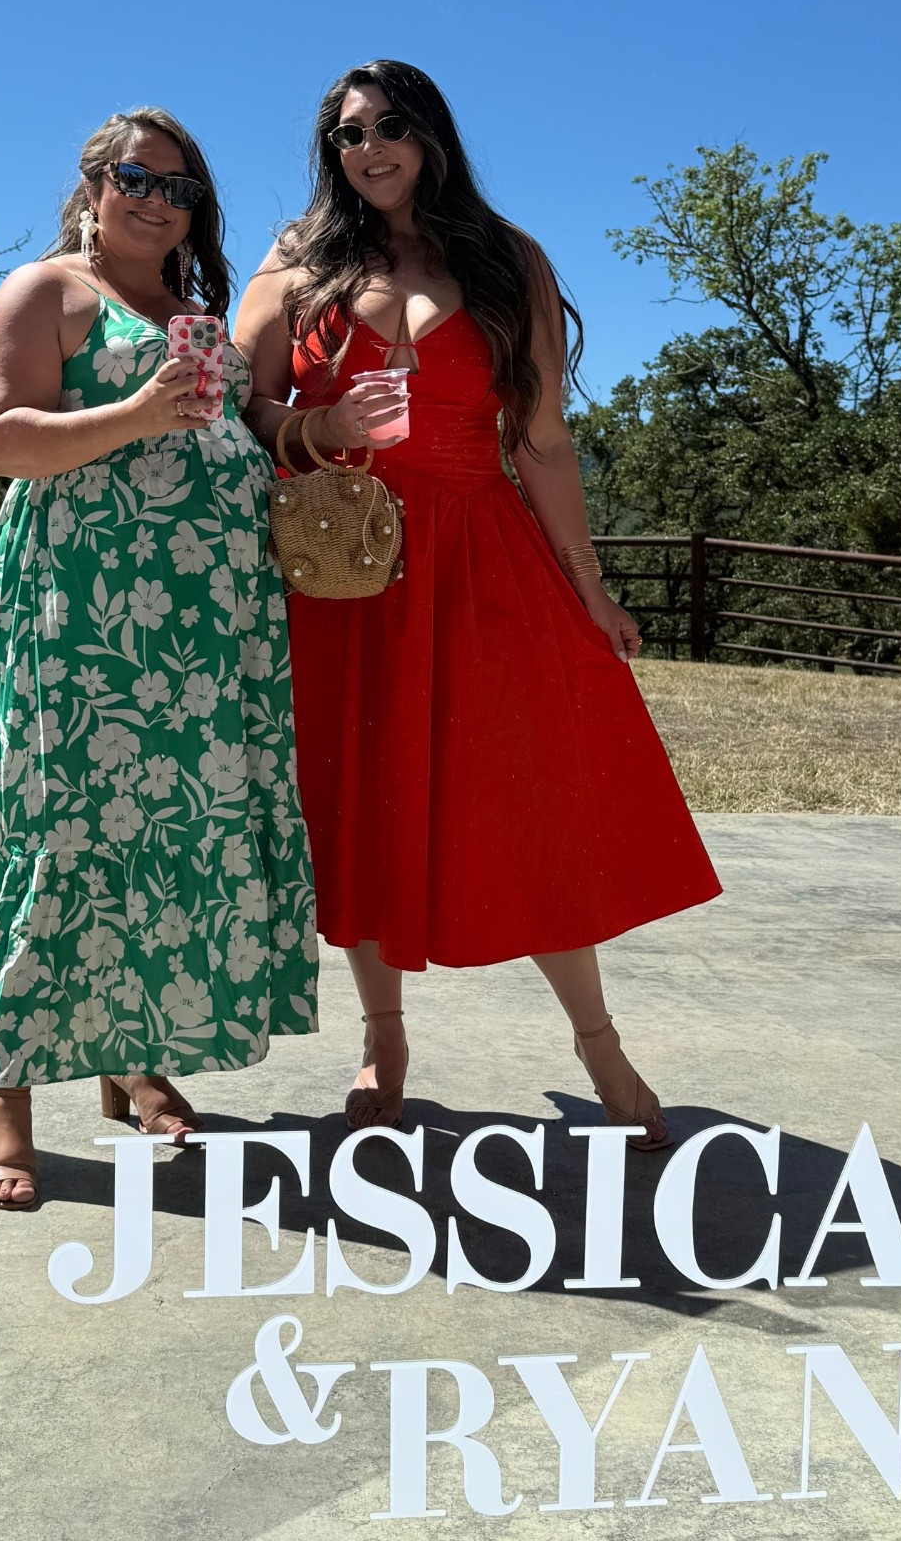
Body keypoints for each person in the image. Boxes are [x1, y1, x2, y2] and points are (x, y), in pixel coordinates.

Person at [234, 61, 720, 1145]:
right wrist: (313, 427)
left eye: (393, 125)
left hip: (481, 554)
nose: (372, 146)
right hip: (344, 563)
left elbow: (542, 440)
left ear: (432, 135)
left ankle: (600, 1042)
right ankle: (383, 1033)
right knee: (359, 795)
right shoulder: (299, 258)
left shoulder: (509, 259)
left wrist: (588, 586)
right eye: (350, 133)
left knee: (528, 791)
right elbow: (239, 405)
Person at [0, 107, 318, 1210]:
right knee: (52, 830)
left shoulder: (197, 318)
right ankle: (3, 1092)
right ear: (93, 186)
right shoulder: (47, 292)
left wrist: (315, 427)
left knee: (159, 846)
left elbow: (243, 434)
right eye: (135, 177)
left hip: (202, 639)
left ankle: (133, 1056)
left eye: (179, 186)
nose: (156, 198)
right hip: (81, 619)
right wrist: (139, 411)